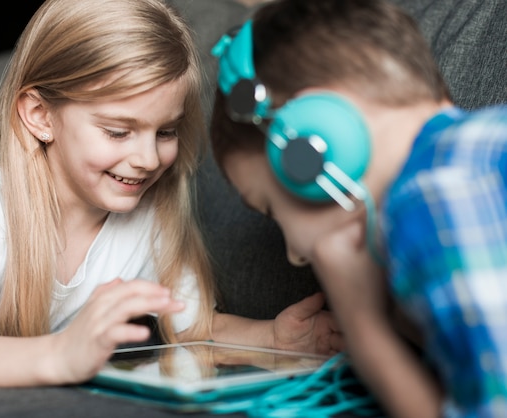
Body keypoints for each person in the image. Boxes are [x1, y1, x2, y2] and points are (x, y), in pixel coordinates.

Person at [0, 0, 342, 388]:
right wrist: (63, 354)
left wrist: (275, 339)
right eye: (119, 131)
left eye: (166, 131)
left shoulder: (149, 210)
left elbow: (193, 327)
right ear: (40, 115)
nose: (147, 158)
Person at [210, 0, 507, 417]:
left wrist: (366, 329)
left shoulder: (433, 198)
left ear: (311, 148)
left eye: (272, 211)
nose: (294, 253)